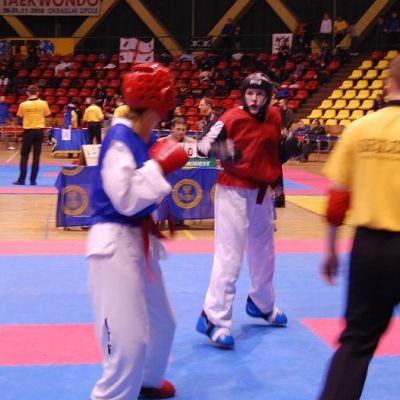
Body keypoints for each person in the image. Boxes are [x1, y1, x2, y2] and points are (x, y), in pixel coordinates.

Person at [86, 63, 188, 400]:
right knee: (127, 342)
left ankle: (147, 380)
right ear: (159, 101)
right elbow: (126, 199)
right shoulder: (119, 140)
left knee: (163, 324)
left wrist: (158, 162)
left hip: (138, 241)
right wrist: (159, 165)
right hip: (113, 243)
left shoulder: (145, 137)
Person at [318, 55, 400, 400]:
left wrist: (330, 250)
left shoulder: (360, 129)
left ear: (387, 82)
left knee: (356, 341)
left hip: (371, 249)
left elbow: (338, 202)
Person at [195, 72, 292, 349]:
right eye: (250, 93)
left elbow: (270, 151)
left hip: (261, 192)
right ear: (243, 94)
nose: (254, 99)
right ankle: (213, 318)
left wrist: (285, 154)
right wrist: (223, 150)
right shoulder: (230, 118)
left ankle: (262, 303)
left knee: (265, 251)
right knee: (230, 254)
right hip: (233, 190)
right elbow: (201, 146)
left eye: (259, 94)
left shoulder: (274, 116)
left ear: (268, 97)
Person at [13, 85, 50, 185]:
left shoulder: (23, 104)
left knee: (24, 156)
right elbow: (47, 114)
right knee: (36, 156)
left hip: (28, 132)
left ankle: (21, 180)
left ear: (27, 93)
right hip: (39, 131)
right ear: (38, 93)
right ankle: (33, 181)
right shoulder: (44, 103)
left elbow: (20, 115)